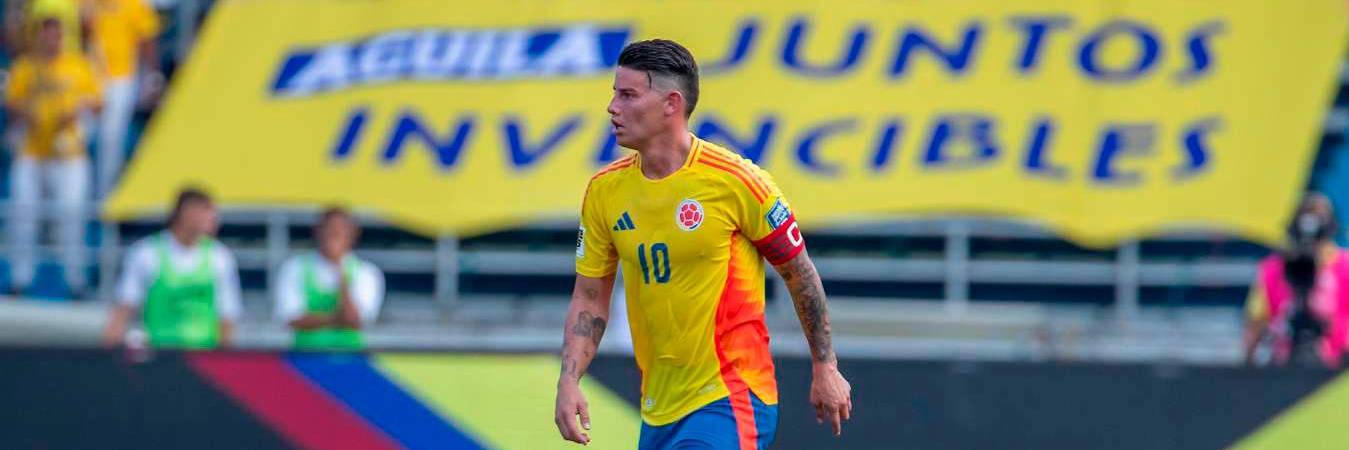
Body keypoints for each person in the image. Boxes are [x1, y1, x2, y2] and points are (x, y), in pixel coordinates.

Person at [554, 40, 852, 449]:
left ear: (671, 104)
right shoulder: (605, 192)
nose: (612, 107)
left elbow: (799, 272)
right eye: (613, 93)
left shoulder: (736, 182)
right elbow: (590, 297)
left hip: (732, 395)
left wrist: (825, 365)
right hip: (658, 407)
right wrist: (569, 380)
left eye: (627, 95)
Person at [4, 13, 100, 297]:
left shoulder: (79, 66)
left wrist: (73, 113)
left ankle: (75, 280)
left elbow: (97, 103)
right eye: (45, 34)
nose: (50, 40)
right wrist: (27, 112)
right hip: (32, 150)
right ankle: (20, 279)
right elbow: (11, 103)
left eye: (56, 34)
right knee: (24, 215)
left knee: (71, 216)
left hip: (69, 152)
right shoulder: (25, 67)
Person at [102, 188, 242, 349]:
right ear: (185, 213)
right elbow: (125, 307)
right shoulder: (147, 253)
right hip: (159, 354)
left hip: (204, 355)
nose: (214, 219)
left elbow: (227, 316)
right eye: (206, 212)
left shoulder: (220, 257)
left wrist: (224, 358)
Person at [1243, 192, 1349, 368]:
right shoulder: (1272, 270)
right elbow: (1254, 326)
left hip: (1339, 373)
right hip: (1285, 369)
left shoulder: (1346, 268)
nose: (1311, 247)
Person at [273, 207, 384, 351]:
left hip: (350, 360)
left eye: (340, 229)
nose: (334, 234)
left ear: (354, 233)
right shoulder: (294, 268)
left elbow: (354, 320)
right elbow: (292, 320)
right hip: (304, 361)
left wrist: (339, 272)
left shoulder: (367, 272)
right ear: (317, 231)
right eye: (329, 228)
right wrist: (338, 319)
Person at [82, 0, 162, 197]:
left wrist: (152, 75)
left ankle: (106, 199)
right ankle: (81, 200)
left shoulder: (134, 4)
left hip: (121, 76)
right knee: (80, 136)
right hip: (86, 76)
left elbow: (147, 39)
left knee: (111, 139)